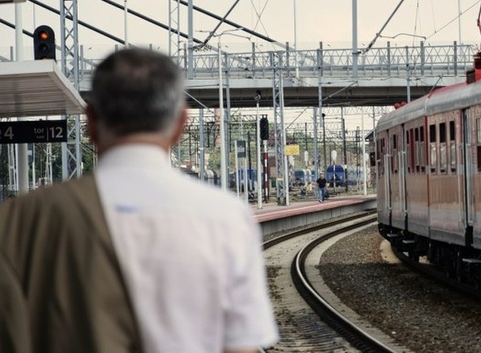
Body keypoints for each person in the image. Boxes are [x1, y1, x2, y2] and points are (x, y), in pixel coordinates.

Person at [0, 48, 278, 353]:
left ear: (90, 120)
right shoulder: (227, 217)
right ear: (180, 124)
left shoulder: (21, 218)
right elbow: (240, 347)